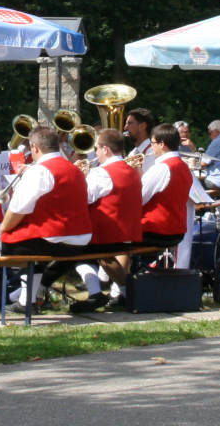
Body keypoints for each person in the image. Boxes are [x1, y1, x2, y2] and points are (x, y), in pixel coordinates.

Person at [0, 127, 92, 322]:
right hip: (79, 241)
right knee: (33, 255)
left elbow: (18, 209)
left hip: (53, 238)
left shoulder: (40, 171)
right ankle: (25, 302)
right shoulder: (75, 169)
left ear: (35, 148)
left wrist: (0, 231)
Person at [69, 127, 144, 313]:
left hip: (106, 234)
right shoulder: (132, 169)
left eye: (96, 148)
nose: (95, 152)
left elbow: (81, 199)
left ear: (106, 149)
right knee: (104, 256)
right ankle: (127, 292)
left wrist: (80, 178)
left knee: (70, 250)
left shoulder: (101, 173)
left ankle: (95, 293)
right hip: (129, 232)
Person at [137, 124, 193, 250]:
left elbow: (138, 199)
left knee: (111, 238)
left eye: (152, 143)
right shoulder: (183, 166)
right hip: (176, 231)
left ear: (162, 144)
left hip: (155, 230)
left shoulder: (161, 168)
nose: (151, 147)